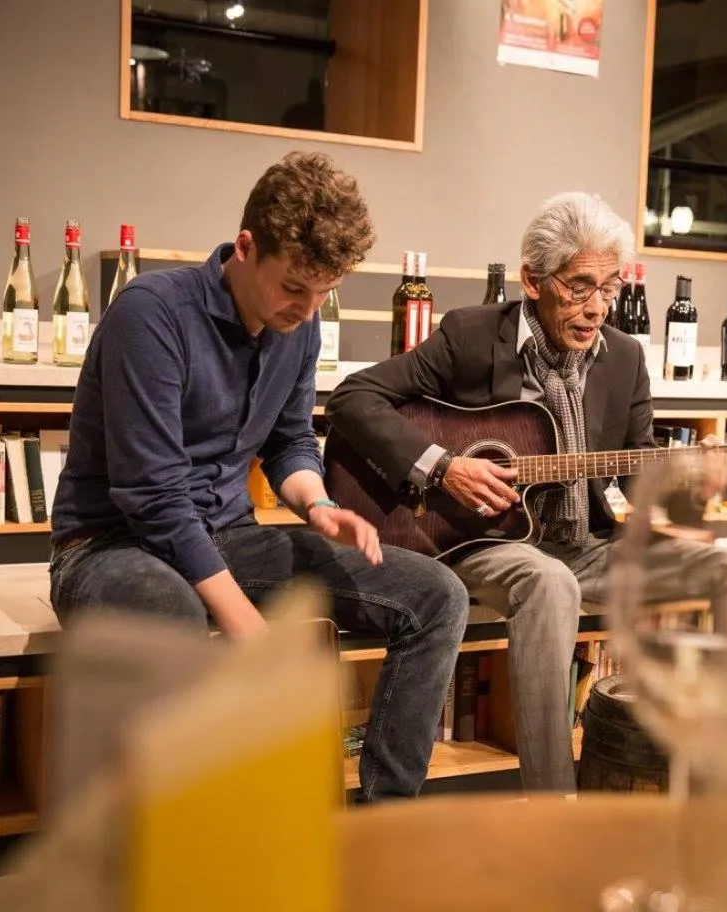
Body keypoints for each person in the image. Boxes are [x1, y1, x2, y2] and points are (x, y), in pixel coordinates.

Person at [48, 151, 469, 802]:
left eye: (324, 291)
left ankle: (382, 824)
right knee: (175, 613)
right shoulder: (151, 315)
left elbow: (289, 438)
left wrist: (316, 502)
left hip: (227, 536)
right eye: (294, 288)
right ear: (246, 247)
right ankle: (184, 848)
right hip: (109, 547)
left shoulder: (296, 329)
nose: (307, 308)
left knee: (439, 596)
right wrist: (248, 624)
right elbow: (153, 497)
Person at [325, 191, 727, 793]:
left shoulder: (626, 359)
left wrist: (683, 497)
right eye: (580, 286)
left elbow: (637, 474)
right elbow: (353, 398)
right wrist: (445, 467)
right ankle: (552, 804)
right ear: (533, 280)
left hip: (587, 544)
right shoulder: (472, 337)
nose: (597, 306)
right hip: (482, 540)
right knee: (551, 583)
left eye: (609, 289)